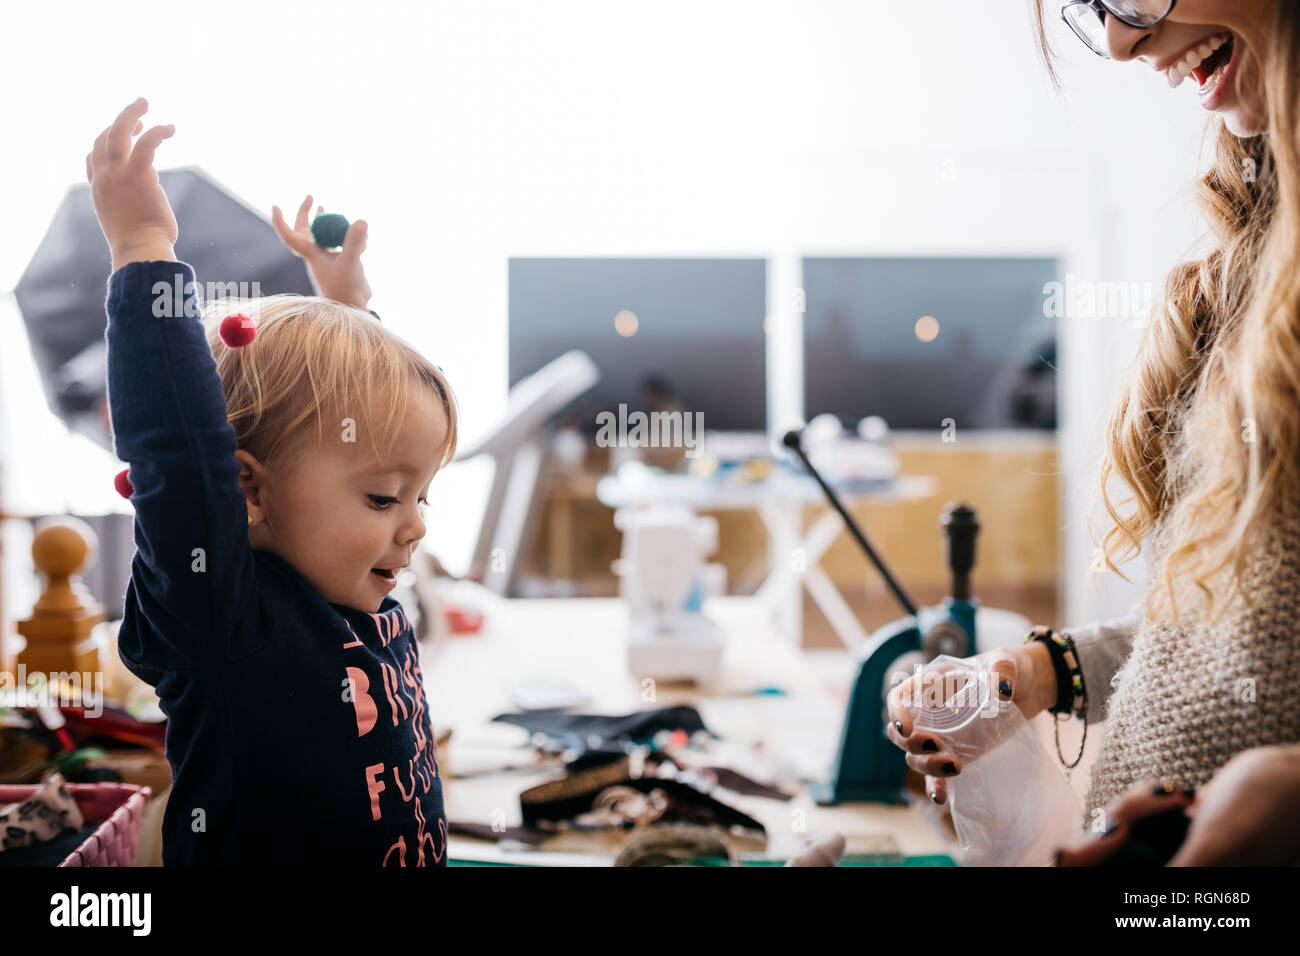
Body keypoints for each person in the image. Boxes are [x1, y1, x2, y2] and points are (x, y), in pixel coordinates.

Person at [887, 0, 1300, 866]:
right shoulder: (1254, 266)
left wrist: (1273, 800)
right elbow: (1217, 642)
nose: (1119, 40)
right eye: (1093, 8)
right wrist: (1034, 677)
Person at [88, 97, 459, 865]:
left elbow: (355, 430)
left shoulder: (352, 593)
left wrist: (349, 310)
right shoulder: (224, 618)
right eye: (384, 499)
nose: (416, 524)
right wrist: (141, 245)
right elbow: (181, 459)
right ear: (246, 492)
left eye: (420, 495)